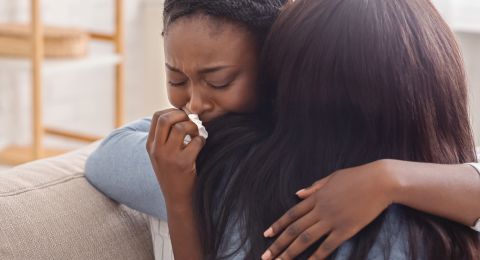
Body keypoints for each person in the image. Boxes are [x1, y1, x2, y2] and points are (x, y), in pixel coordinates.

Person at [85, 0, 480, 259]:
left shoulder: (236, 174)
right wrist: (394, 178)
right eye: (176, 79)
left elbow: (108, 157)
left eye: (220, 81)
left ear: (277, 79)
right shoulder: (449, 216)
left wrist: (389, 178)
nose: (196, 105)